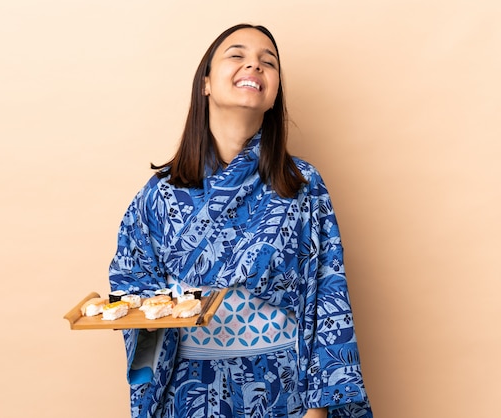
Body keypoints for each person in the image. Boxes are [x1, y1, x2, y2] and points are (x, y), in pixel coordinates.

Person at [109, 23, 373, 418]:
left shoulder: (302, 185)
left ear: (274, 94)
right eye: (237, 55)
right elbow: (130, 283)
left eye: (268, 62)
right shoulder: (160, 194)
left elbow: (328, 295)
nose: (254, 66)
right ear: (206, 84)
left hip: (282, 388)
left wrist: (317, 410)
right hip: (189, 387)